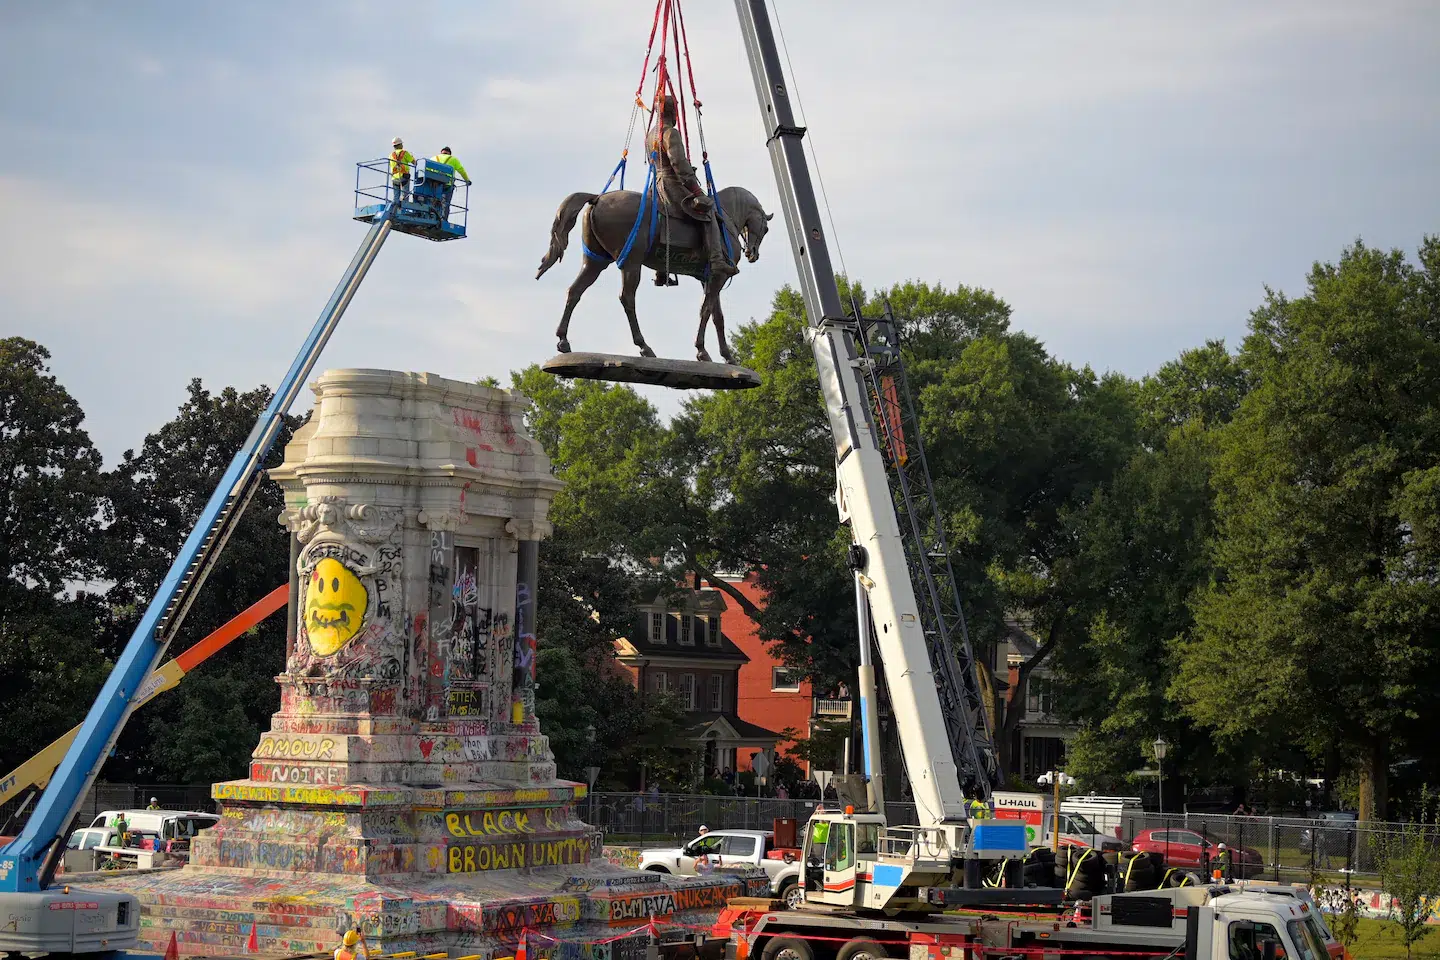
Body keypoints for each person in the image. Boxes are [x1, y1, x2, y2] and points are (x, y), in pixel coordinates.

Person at [648, 91, 737, 285]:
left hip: (656, 185)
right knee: (708, 210)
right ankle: (717, 260)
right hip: (672, 184)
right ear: (673, 112)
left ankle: (660, 272)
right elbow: (678, 163)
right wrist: (696, 191)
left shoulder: (651, 134)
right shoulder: (669, 132)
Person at [389, 137, 414, 204]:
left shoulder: (391, 155)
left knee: (396, 197)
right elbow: (414, 162)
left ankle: (395, 207)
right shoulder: (405, 153)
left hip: (394, 178)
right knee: (405, 196)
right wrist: (412, 156)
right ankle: (404, 207)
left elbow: (391, 165)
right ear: (400, 145)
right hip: (404, 176)